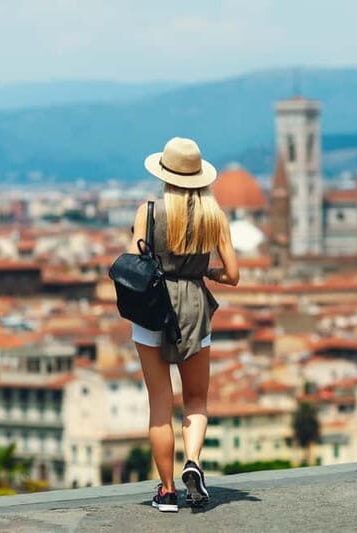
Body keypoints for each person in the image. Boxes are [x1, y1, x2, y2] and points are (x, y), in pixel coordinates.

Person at [126, 137, 239, 512]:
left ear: (165, 173)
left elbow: (133, 261)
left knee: (160, 404)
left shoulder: (150, 211)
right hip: (194, 307)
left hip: (152, 307)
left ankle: (168, 490)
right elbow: (233, 274)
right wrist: (199, 269)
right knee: (196, 400)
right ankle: (193, 462)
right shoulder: (214, 216)